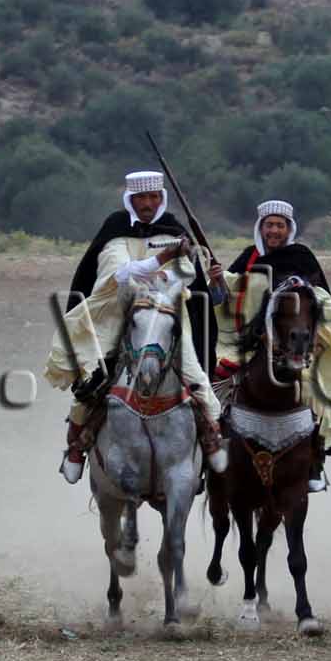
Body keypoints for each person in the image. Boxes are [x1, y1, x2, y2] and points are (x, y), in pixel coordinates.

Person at [44, 169, 225, 483]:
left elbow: (186, 272)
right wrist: (163, 259)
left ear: (161, 198)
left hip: (169, 319)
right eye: (142, 197)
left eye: (154, 197)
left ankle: (211, 439)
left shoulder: (174, 230)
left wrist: (163, 273)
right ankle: (76, 446)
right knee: (95, 383)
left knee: (198, 379)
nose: (148, 204)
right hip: (121, 320)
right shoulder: (115, 232)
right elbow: (121, 276)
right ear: (131, 199)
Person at [218, 199, 331, 491]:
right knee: (216, 384)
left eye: (279, 225)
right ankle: (216, 448)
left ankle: (315, 459)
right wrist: (219, 281)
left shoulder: (302, 257)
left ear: (289, 229)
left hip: (297, 341)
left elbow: (320, 298)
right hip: (253, 340)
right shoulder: (250, 257)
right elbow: (230, 296)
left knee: (313, 386)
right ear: (261, 228)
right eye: (269, 225)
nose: (274, 231)